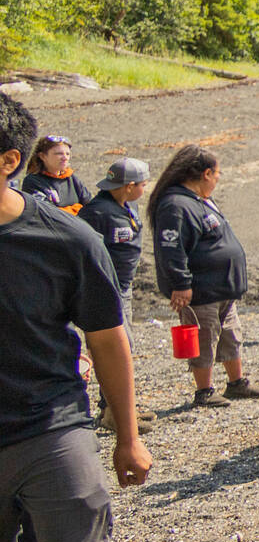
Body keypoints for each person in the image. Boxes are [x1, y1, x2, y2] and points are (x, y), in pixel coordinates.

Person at [0, 92, 158, 542]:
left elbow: (108, 339)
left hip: (50, 424)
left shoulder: (65, 239)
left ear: (9, 161)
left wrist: (128, 435)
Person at [148, 146, 259, 408]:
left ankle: (236, 382)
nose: (218, 179)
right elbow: (171, 248)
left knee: (230, 334)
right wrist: (181, 284)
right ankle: (204, 390)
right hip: (201, 289)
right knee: (204, 338)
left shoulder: (198, 200)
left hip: (222, 288)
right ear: (206, 173)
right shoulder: (175, 205)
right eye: (217, 173)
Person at [79, 159, 156, 432]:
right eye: (143, 185)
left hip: (124, 287)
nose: (144, 189)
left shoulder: (126, 206)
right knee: (116, 349)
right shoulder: (97, 213)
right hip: (105, 290)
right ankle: (113, 413)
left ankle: (118, 407)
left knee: (126, 346)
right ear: (129, 186)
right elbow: (82, 252)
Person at [19, 136, 91, 214]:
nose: (65, 158)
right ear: (42, 156)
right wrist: (77, 209)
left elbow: (91, 206)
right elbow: (48, 213)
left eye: (67, 154)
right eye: (59, 154)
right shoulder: (33, 181)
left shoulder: (71, 178)